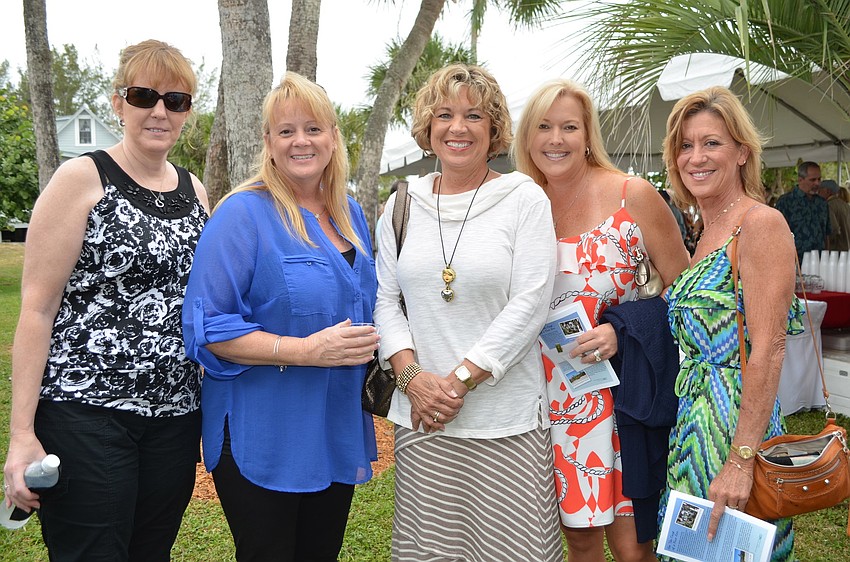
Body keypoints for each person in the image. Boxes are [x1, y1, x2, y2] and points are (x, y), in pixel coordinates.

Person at [2, 39, 208, 560]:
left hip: (176, 417)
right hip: (87, 414)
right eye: (144, 95)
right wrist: (21, 435)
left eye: (176, 100)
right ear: (119, 104)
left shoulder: (196, 191)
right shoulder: (81, 179)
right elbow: (37, 310)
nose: (160, 111)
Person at [182, 71, 379, 562]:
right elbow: (208, 327)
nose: (301, 141)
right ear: (268, 143)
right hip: (263, 429)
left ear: (333, 138)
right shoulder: (243, 213)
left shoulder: (350, 214)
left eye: (313, 128)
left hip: (332, 423)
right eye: (286, 131)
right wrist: (307, 351)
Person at [374, 63, 562, 561]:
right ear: (428, 127)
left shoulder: (523, 198)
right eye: (444, 115)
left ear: (494, 127)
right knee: (434, 551)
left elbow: (531, 302)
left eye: (473, 115)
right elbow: (387, 301)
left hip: (507, 420)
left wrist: (456, 381)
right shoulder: (400, 203)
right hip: (424, 422)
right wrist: (413, 379)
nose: (458, 128)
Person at [512, 78, 689, 562]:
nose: (556, 139)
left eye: (569, 126)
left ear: (588, 134)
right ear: (527, 138)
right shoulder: (520, 206)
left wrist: (623, 330)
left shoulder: (633, 195)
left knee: (634, 550)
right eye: (544, 127)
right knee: (581, 543)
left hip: (623, 395)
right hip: (546, 400)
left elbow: (686, 290)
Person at [661, 85, 802, 561]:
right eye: (685, 145)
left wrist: (742, 461)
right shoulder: (705, 231)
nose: (695, 156)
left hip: (734, 425)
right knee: (688, 551)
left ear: (742, 152)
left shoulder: (760, 224)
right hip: (691, 423)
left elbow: (769, 349)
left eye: (711, 143)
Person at [775, 161, 829, 259]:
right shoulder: (786, 202)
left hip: (819, 261)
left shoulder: (822, 204)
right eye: (812, 180)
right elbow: (776, 235)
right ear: (800, 180)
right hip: (794, 262)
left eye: (819, 179)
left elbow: (826, 233)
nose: (817, 183)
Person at [819, 179, 850, 251]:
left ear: (827, 191)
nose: (818, 193)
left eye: (820, 190)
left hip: (835, 250)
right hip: (846, 248)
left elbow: (833, 229)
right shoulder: (845, 205)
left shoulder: (829, 205)